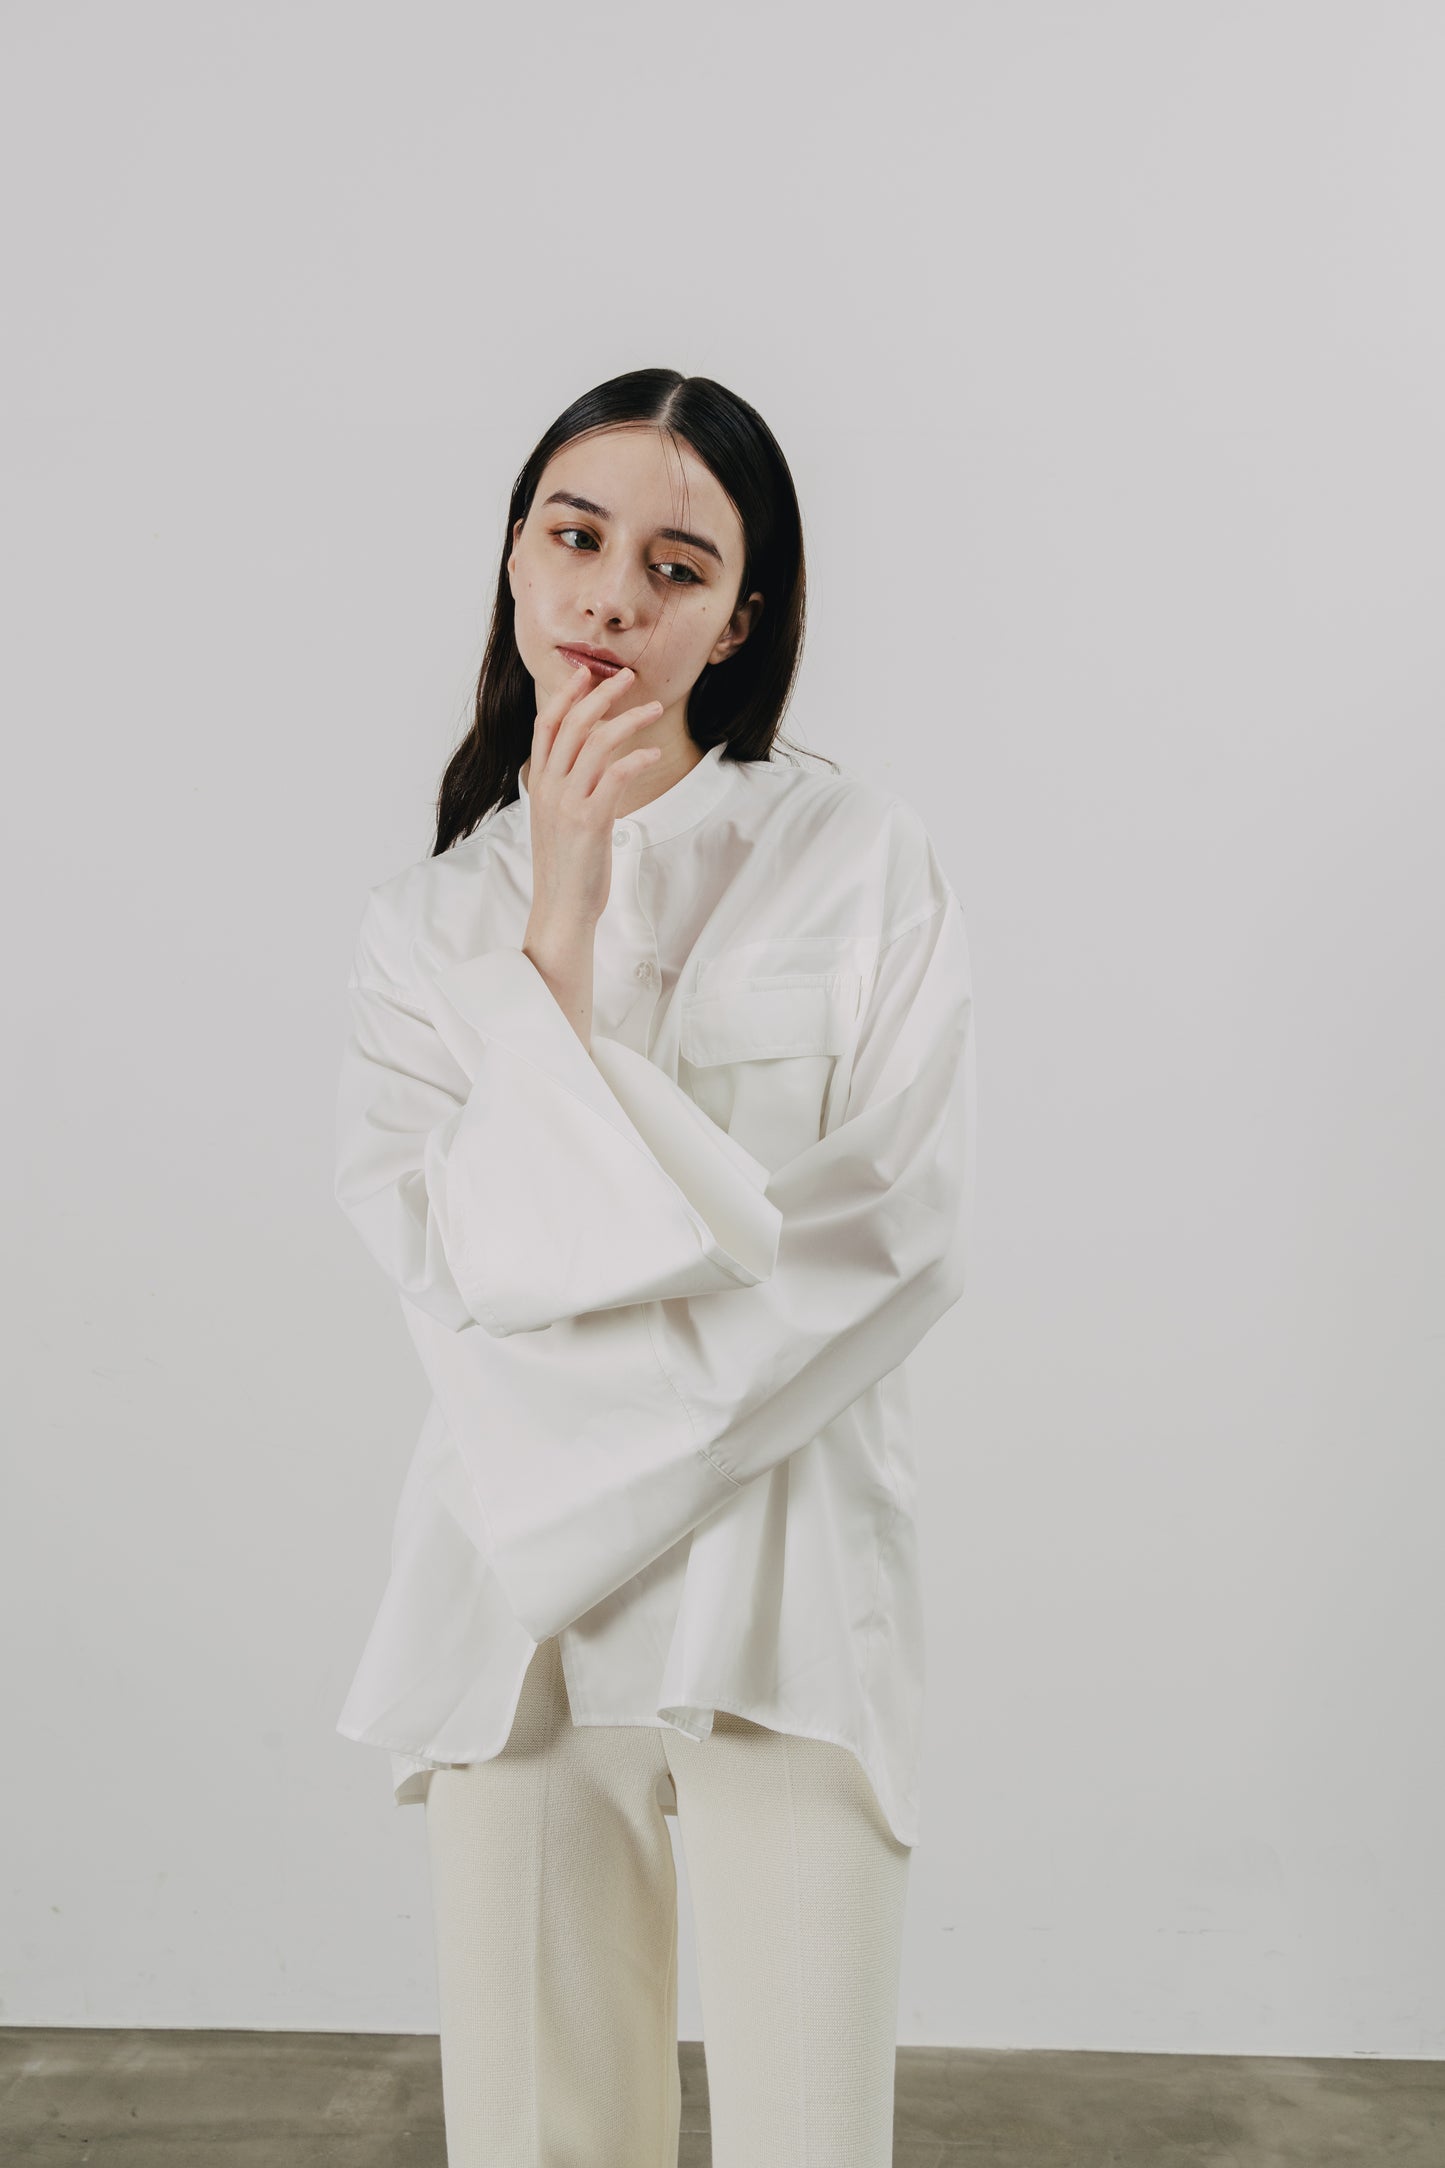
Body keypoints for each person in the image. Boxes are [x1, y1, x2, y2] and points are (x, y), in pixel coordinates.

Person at [330, 366, 978, 2166]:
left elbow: (895, 1236)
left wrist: (592, 1413)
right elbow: (453, 1260)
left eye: (676, 567)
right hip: (516, 1629)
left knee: (806, 2132)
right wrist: (558, 914)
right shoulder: (427, 927)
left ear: (737, 618)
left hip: (786, 1599)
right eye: (576, 537)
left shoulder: (856, 860)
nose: (613, 595)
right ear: (516, 558)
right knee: (536, 2136)